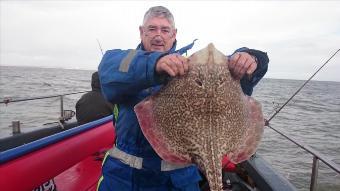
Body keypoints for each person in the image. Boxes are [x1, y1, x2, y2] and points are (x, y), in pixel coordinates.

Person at [97, 6, 268, 191]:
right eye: (152, 29)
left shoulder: (191, 64)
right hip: (124, 178)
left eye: (165, 30)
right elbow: (108, 69)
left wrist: (251, 58)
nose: (158, 35)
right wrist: (156, 63)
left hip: (179, 182)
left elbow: (246, 66)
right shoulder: (128, 59)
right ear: (141, 32)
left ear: (174, 34)